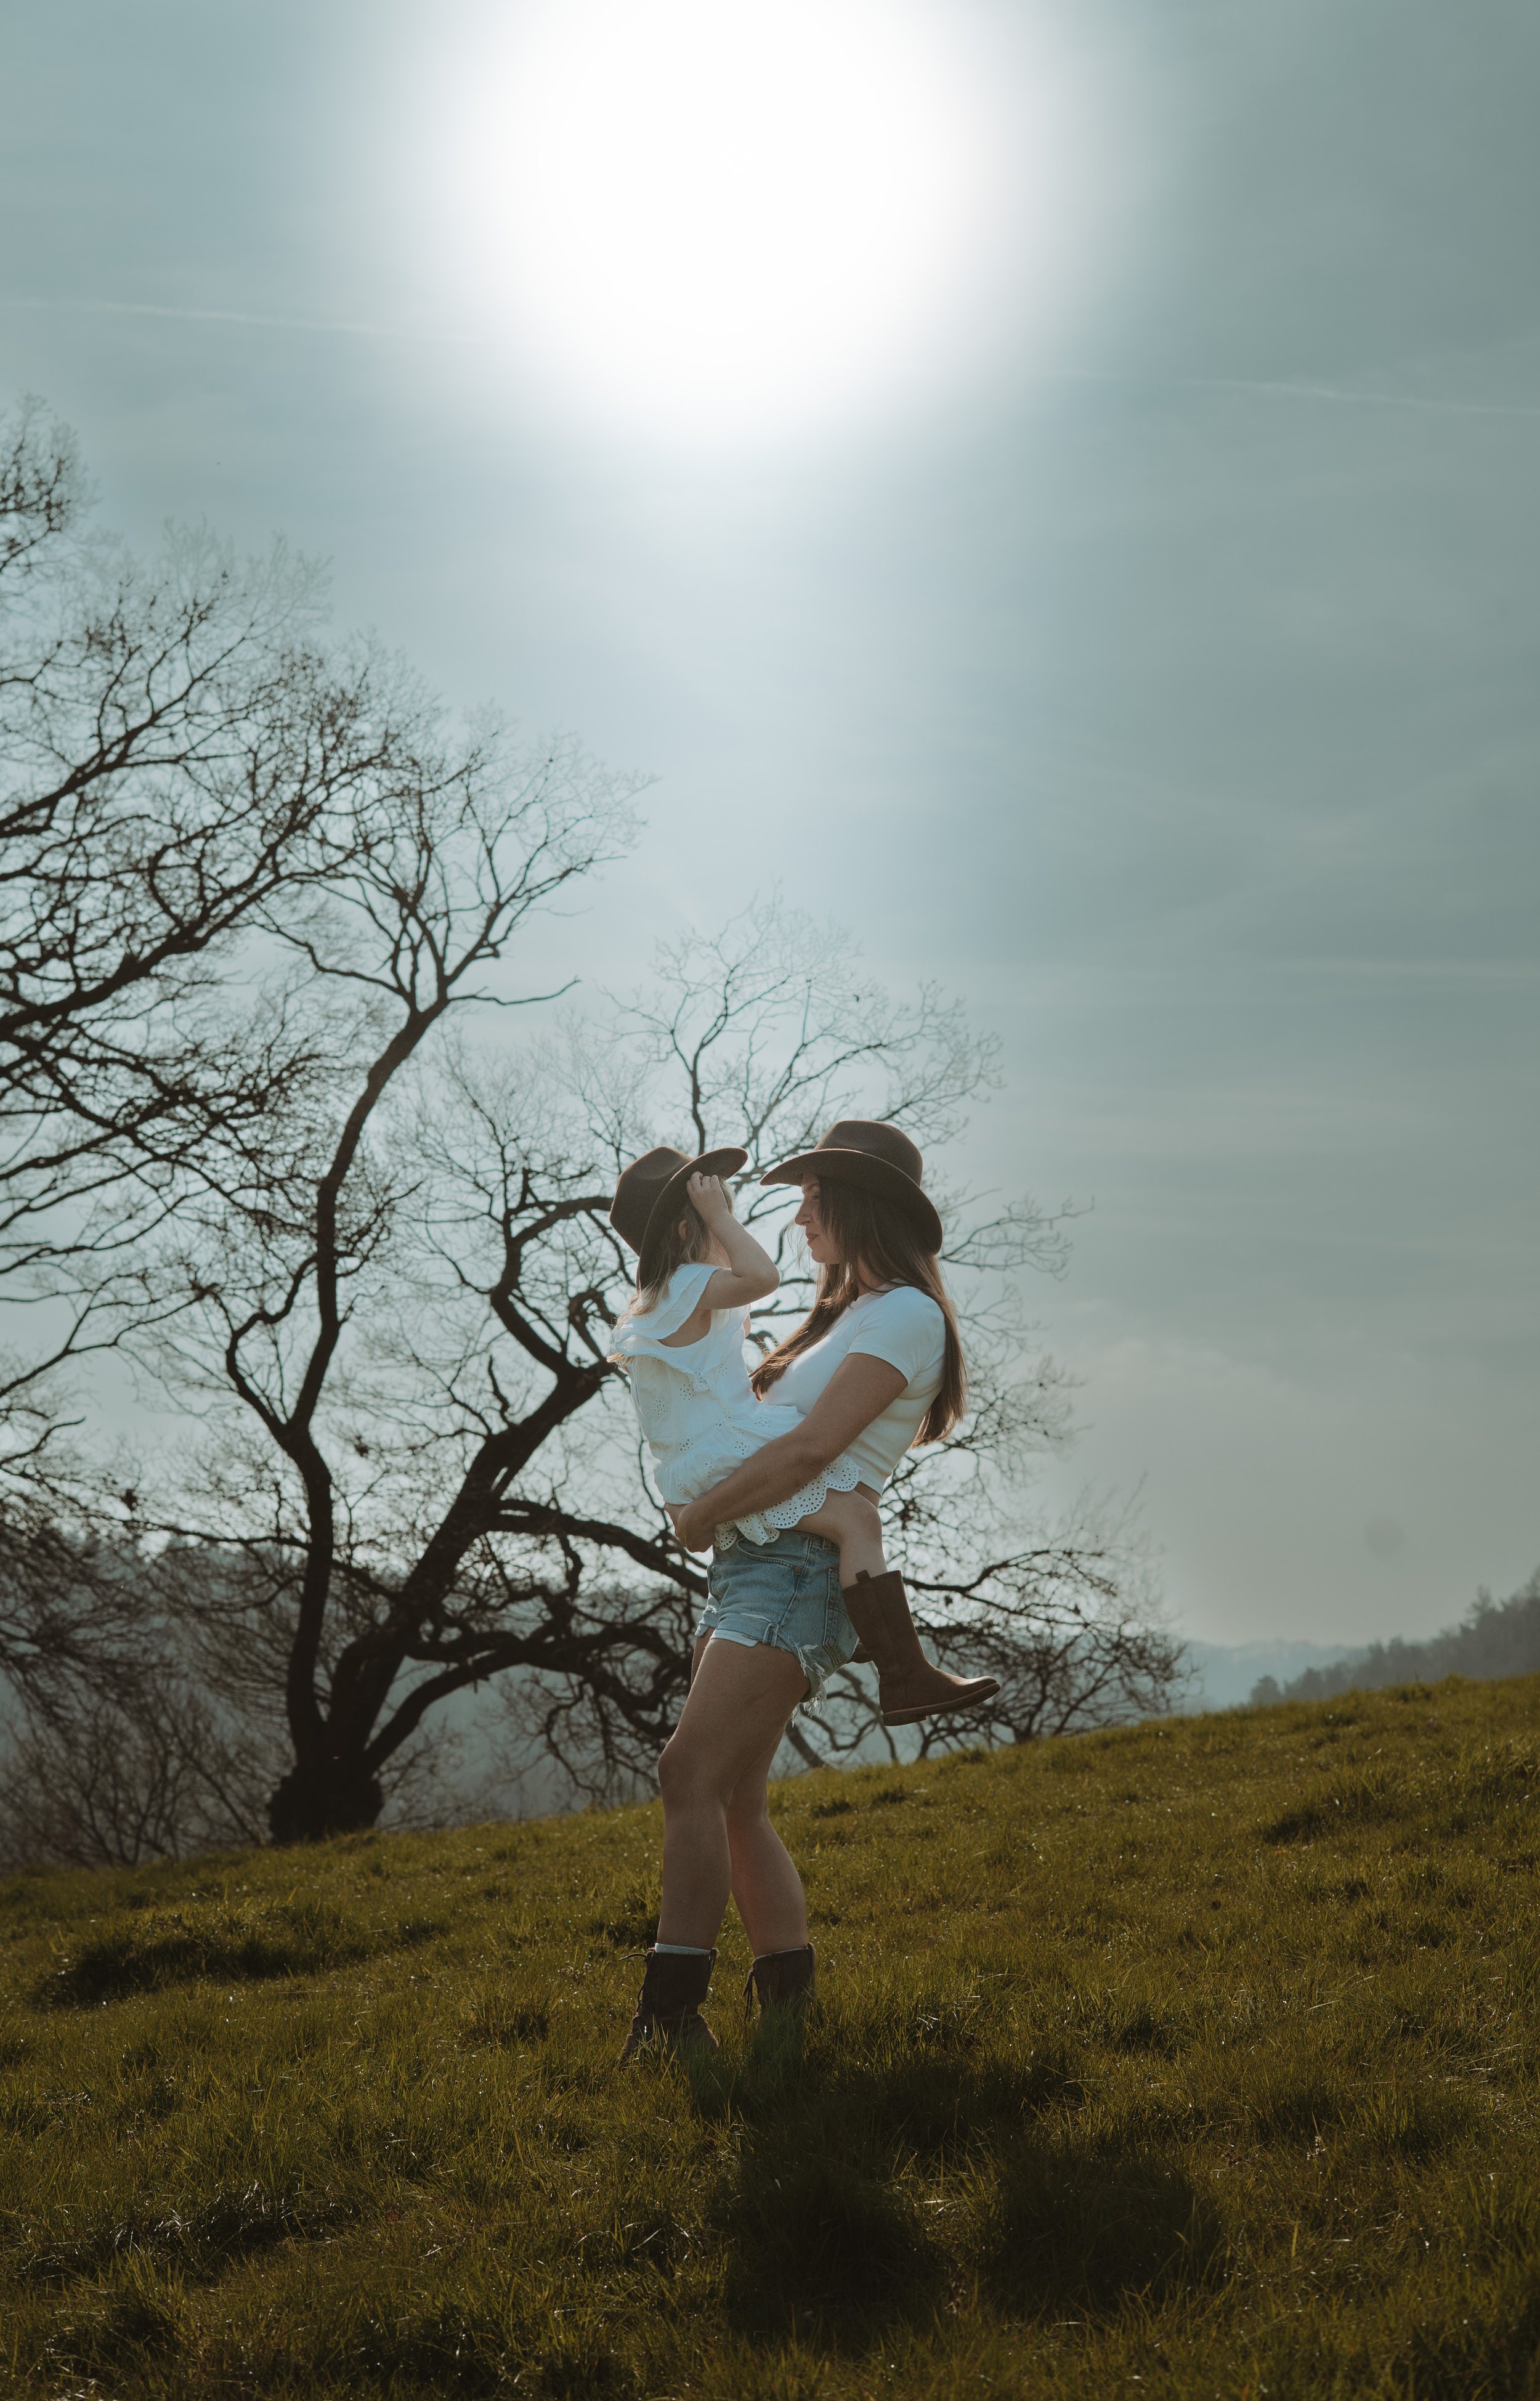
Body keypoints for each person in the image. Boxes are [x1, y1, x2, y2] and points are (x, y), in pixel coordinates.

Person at [618, 1119, 1000, 2060]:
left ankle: (670, 2021)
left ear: (858, 1203)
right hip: (754, 1561)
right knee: (735, 1798)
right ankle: (789, 2011)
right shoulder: (838, 1318)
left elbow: (812, 1449)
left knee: (687, 1773)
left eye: (813, 1200)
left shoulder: (904, 1315)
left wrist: (698, 1514)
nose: (798, 1219)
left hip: (795, 1570)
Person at [606, 1145, 887, 1589]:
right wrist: (718, 1213)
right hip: (729, 1454)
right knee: (859, 1521)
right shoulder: (689, 1283)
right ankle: (880, 1632)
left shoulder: (654, 1306)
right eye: (720, 1223)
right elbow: (763, 1277)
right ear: (688, 1231)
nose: (730, 1232)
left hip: (690, 1471)